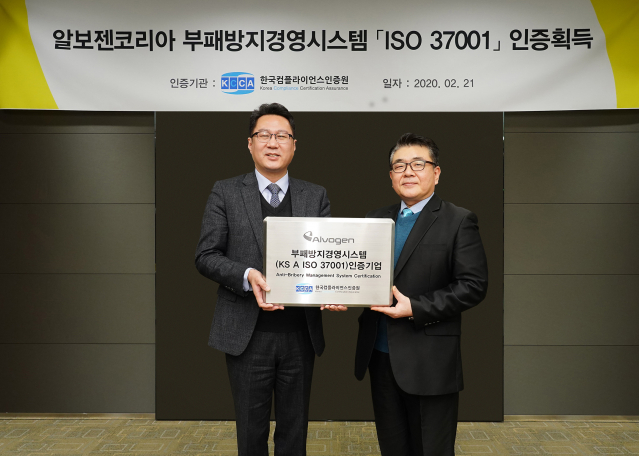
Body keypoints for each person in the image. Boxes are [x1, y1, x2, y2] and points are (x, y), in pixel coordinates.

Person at [195, 103, 341, 456]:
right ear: (250, 143)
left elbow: (327, 257)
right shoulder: (225, 191)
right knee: (251, 433)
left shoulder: (315, 195)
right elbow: (206, 255)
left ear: (294, 145)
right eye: (264, 135)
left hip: (300, 334)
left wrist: (334, 285)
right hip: (247, 335)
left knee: (295, 433)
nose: (273, 143)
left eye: (282, 136)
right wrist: (247, 275)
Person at [354, 133, 488, 456]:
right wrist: (335, 291)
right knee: (392, 448)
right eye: (399, 166)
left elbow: (473, 285)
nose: (408, 172)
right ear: (391, 176)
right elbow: (357, 273)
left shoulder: (458, 220)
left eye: (418, 164)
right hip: (380, 357)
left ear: (436, 173)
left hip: (430, 363)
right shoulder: (374, 219)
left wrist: (416, 307)